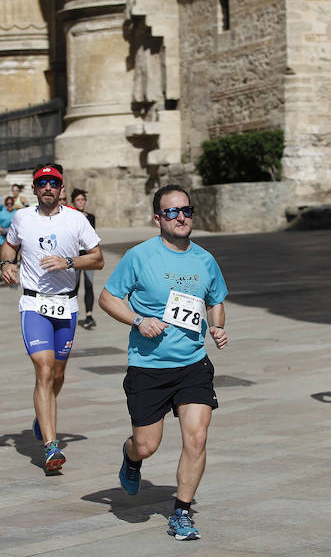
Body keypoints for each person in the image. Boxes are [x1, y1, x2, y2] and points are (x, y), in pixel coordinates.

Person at [98, 184, 228, 542]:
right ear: (158, 218)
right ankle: (131, 457)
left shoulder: (205, 259)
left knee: (197, 439)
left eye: (186, 210)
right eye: (172, 212)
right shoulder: (140, 256)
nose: (181, 217)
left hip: (193, 365)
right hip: (148, 367)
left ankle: (182, 512)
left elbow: (216, 299)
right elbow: (107, 299)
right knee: (147, 445)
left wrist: (217, 327)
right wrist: (139, 320)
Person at [0, 165, 103, 473]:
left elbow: (97, 258)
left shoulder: (76, 219)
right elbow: (10, 243)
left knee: (57, 375)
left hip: (66, 306)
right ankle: (50, 446)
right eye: (41, 183)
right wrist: (7, 262)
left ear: (61, 189)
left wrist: (68, 261)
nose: (47, 187)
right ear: (34, 188)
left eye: (53, 183)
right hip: (33, 303)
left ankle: (41, 413)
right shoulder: (22, 218)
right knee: (44, 370)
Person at [71, 188, 98, 329]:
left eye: (82, 199)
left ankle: (89, 315)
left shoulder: (91, 217)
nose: (81, 202)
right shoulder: (70, 217)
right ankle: (71, 313)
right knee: (73, 286)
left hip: (88, 256)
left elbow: (92, 237)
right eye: (78, 200)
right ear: (73, 202)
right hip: (75, 256)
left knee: (89, 285)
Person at [0, 196, 17, 280]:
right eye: (8, 204)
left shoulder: (17, 213)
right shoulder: (1, 214)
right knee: (3, 258)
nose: (9, 205)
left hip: (15, 241)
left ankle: (11, 276)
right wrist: (4, 230)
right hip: (3, 240)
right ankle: (3, 272)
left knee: (14, 260)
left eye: (11, 203)